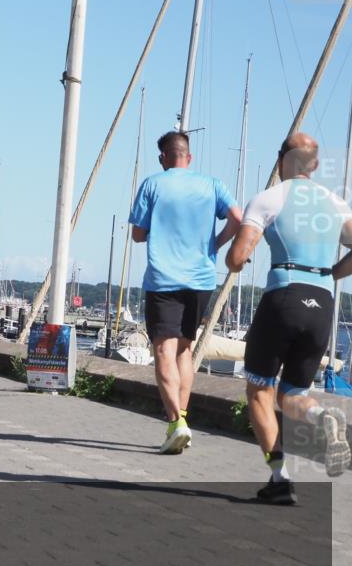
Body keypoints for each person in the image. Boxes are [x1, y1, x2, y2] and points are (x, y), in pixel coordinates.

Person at [227, 133, 352, 504]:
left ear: (282, 159)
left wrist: (240, 252)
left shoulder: (269, 198)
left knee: (259, 391)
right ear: (314, 165)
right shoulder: (335, 203)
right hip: (322, 302)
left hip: (283, 296)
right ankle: (322, 418)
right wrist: (333, 272)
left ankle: (280, 478)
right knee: (294, 393)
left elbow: (236, 259)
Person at [129, 131, 242, 454]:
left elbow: (138, 234)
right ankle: (183, 418)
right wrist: (215, 245)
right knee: (184, 353)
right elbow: (236, 218)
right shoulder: (212, 185)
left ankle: (176, 423)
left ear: (164, 157)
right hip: (201, 279)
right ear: (188, 157)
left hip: (164, 279)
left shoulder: (152, 184)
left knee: (163, 352)